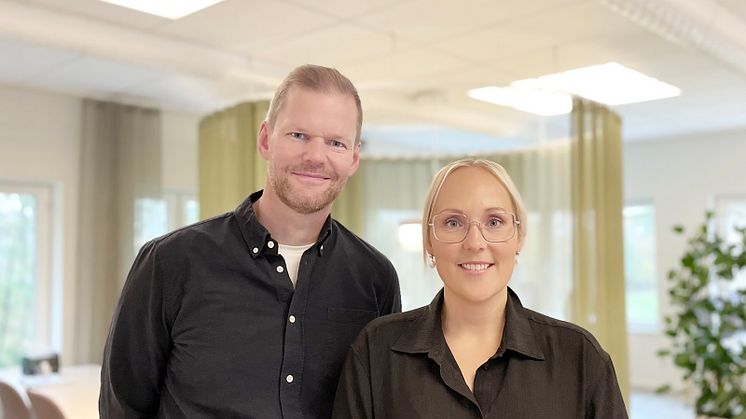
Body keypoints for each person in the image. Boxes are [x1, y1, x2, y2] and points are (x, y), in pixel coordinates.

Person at [100, 64, 401, 418]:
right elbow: (123, 408)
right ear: (265, 140)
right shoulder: (170, 262)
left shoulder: (375, 278)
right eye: (299, 135)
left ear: (353, 158)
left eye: (335, 142)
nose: (316, 156)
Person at [332, 158, 628, 419]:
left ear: (519, 236)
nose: (475, 242)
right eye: (453, 222)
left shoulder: (579, 357)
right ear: (429, 240)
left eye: (495, 221)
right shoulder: (375, 351)